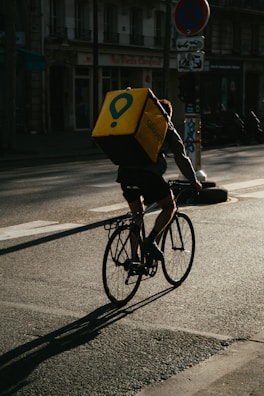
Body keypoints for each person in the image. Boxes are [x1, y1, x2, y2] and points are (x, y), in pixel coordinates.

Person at [117, 98, 202, 261]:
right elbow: (181, 157)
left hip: (125, 174)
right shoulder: (166, 127)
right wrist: (194, 181)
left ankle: (135, 258)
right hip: (147, 176)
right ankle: (150, 241)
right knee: (169, 206)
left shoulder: (138, 123)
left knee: (137, 215)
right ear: (168, 115)